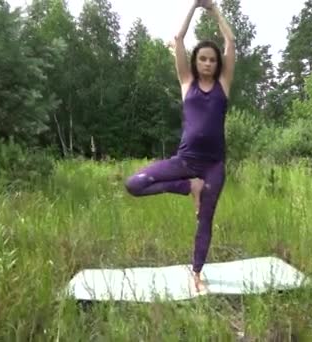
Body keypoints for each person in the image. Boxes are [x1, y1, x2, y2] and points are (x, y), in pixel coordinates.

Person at [123, 0, 235, 292]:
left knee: (206, 218)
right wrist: (194, 6)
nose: (208, 63)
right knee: (134, 184)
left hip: (213, 165)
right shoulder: (187, 82)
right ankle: (190, 187)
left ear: (217, 63)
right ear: (196, 62)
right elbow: (178, 39)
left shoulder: (224, 84)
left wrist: (214, 11)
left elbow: (231, 41)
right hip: (185, 162)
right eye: (203, 59)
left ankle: (197, 272)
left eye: (212, 59)